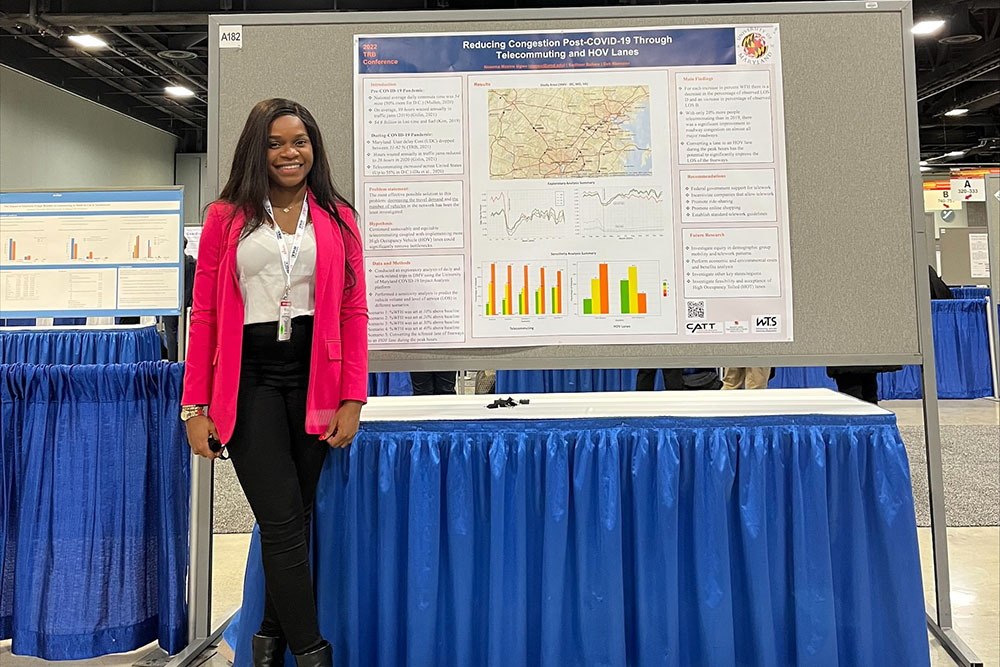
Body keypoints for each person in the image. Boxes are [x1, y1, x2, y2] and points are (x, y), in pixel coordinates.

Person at [180, 99, 367, 667]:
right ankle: (313, 653)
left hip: (315, 375)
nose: (290, 153)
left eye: (300, 141)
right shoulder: (225, 218)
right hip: (250, 379)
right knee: (283, 520)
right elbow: (206, 314)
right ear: (256, 150)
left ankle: (266, 642)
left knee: (294, 517)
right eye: (276, 143)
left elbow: (353, 310)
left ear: (314, 148)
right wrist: (194, 407)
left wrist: (353, 396)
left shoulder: (336, 215)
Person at [162, 237, 197, 361]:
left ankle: (172, 362)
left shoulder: (168, 264)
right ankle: (184, 360)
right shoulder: (192, 262)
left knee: (170, 334)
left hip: (169, 302)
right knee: (184, 333)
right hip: (187, 304)